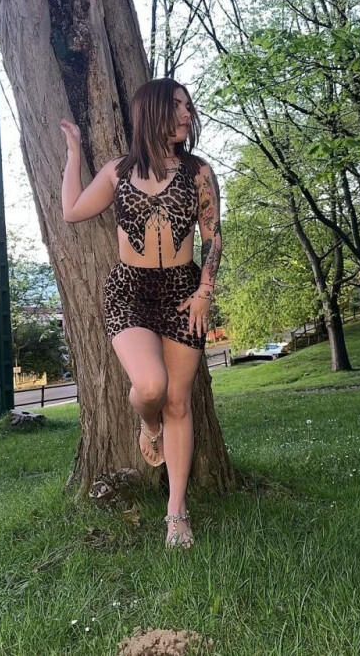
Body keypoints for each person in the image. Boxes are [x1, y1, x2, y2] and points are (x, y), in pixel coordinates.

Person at [61, 77, 222, 549]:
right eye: (177, 106)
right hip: (129, 291)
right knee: (151, 388)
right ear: (152, 111)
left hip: (183, 292)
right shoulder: (119, 171)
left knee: (179, 401)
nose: (188, 114)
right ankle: (148, 426)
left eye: (189, 106)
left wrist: (205, 291)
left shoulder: (198, 171)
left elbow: (212, 236)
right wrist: (74, 153)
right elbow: (72, 210)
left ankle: (176, 513)